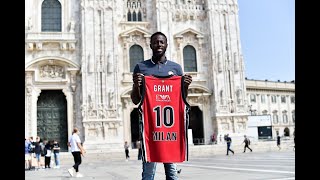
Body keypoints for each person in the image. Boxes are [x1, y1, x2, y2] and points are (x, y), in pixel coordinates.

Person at [131, 31, 192, 180]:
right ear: (150, 45)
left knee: (172, 173)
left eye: (161, 42)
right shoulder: (141, 67)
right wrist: (135, 85)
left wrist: (185, 86)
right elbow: (135, 100)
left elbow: (181, 99)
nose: (158, 45)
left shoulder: (176, 68)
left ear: (166, 45)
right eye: (155, 42)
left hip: (170, 132)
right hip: (150, 130)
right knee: (148, 174)